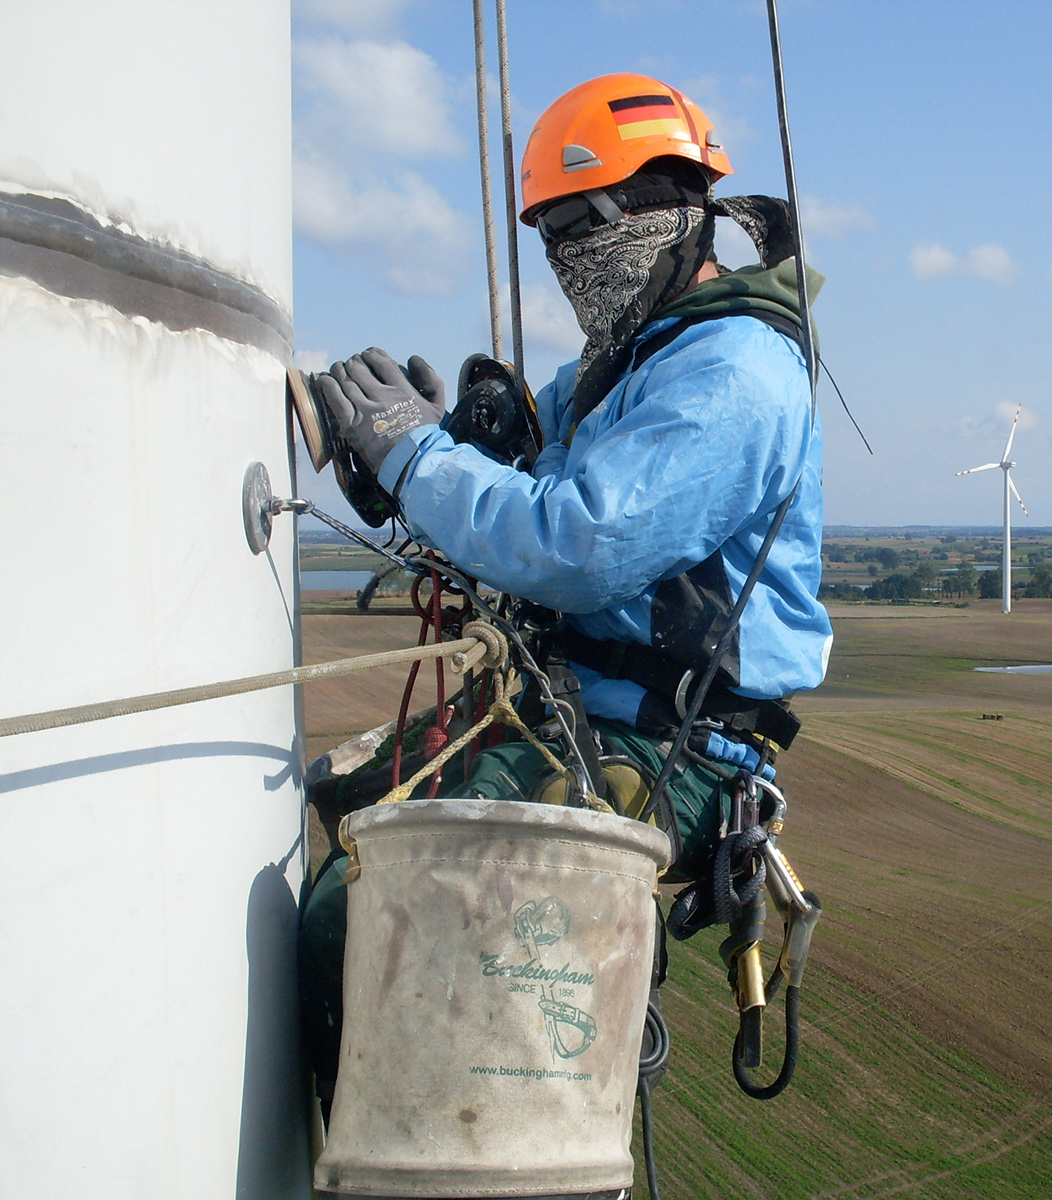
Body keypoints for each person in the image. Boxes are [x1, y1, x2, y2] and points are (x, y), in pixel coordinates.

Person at [299, 73, 830, 1114]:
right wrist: (443, 447)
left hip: (664, 750)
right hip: (581, 720)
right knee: (342, 804)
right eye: (547, 236)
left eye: (577, 229)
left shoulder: (731, 373)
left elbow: (579, 546)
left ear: (667, 210)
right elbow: (520, 480)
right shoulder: (620, 368)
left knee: (350, 913)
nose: (564, 262)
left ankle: (373, 1161)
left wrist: (412, 458)